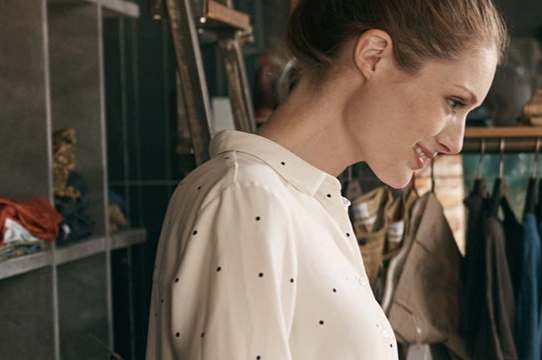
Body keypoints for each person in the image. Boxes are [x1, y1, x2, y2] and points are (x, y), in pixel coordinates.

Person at [145, 0, 506, 358]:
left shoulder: (299, 200)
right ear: (373, 55)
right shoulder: (248, 197)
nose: (455, 142)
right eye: (454, 103)